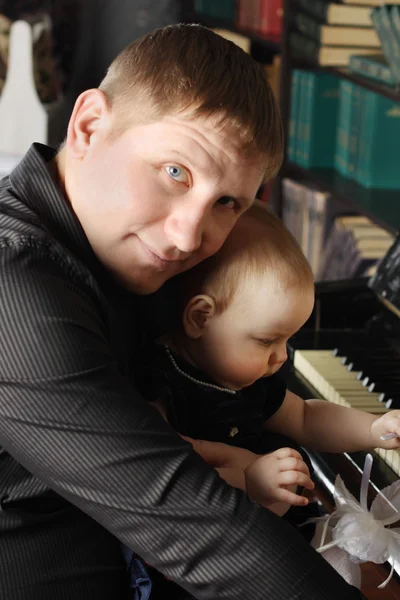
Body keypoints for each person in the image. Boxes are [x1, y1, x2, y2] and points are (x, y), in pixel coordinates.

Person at [0, 23, 368, 600]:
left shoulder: (124, 248)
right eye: (175, 173)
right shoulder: (14, 286)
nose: (188, 235)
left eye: (227, 203)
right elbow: (201, 528)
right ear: (89, 124)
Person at [134, 203, 400, 588]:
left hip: (275, 532)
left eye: (288, 340)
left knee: (339, 568)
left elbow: (306, 418)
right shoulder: (159, 385)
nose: (281, 355)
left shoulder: (248, 377)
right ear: (200, 318)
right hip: (212, 557)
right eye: (267, 340)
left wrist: (374, 429)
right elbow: (170, 480)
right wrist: (248, 480)